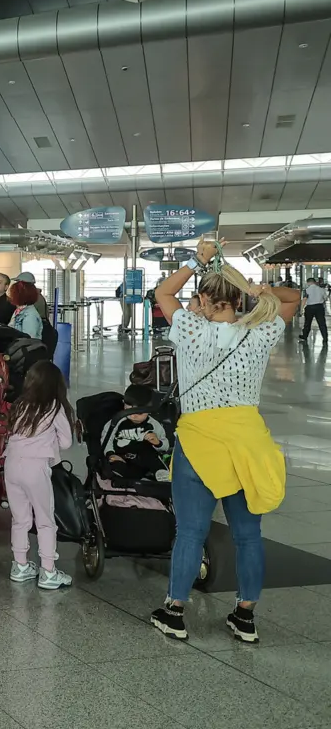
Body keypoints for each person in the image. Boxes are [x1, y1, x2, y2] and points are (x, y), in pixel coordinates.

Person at [147, 238, 299, 644]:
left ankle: (175, 611)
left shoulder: (191, 328)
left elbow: (162, 292)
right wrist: (260, 291)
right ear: (238, 300)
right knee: (247, 535)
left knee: (191, 532)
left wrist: (197, 260)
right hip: (247, 443)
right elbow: (293, 298)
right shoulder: (259, 333)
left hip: (200, 443)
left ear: (202, 299)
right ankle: (245, 615)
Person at [4, 360, 76, 590]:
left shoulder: (19, 404)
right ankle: (48, 572)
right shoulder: (54, 406)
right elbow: (66, 442)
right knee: (45, 521)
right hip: (36, 469)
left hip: (12, 464)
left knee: (20, 519)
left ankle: (20, 566)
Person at [101, 384, 171, 482]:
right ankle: (141, 480)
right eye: (128, 411)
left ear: (149, 410)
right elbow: (106, 439)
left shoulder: (154, 425)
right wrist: (110, 454)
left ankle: (160, 473)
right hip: (122, 457)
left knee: (151, 456)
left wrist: (158, 443)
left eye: (139, 413)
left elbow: (166, 446)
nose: (133, 416)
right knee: (114, 466)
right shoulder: (117, 421)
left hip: (143, 459)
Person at [301, 276, 327, 344]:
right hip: (319, 307)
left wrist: (301, 309)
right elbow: (325, 298)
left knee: (307, 323)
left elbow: (304, 299)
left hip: (310, 308)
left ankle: (304, 336)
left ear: (309, 282)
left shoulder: (306, 290)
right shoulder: (321, 289)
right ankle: (325, 338)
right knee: (322, 323)